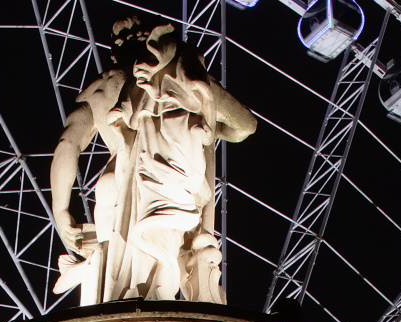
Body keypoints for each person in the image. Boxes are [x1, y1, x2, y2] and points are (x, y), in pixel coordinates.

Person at [50, 16, 256, 304]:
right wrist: (209, 121)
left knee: (109, 291)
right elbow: (245, 126)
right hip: (159, 184)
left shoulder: (101, 89)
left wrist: (60, 211)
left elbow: (67, 144)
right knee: (161, 278)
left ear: (115, 50)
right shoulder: (185, 80)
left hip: (114, 187)